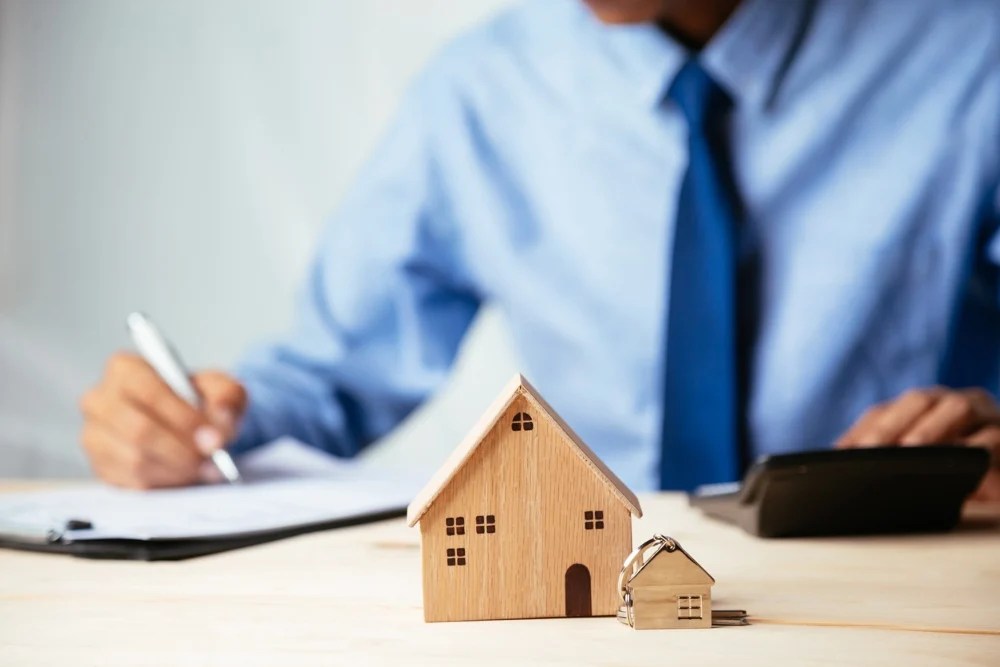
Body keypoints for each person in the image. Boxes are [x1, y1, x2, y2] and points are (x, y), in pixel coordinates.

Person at [78, 0, 1000, 497]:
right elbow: (332, 376)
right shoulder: (481, 90)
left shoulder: (974, 54)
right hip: (589, 598)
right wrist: (193, 425)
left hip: (903, 593)